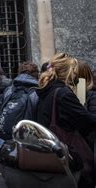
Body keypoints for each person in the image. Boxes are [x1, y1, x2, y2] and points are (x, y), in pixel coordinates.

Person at [36, 53, 96, 188]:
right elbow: (85, 119)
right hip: (66, 150)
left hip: (50, 148)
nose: (75, 75)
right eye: (74, 71)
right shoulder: (63, 92)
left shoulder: (46, 90)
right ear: (68, 72)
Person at [0, 62, 39, 148]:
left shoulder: (9, 89)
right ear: (36, 74)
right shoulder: (37, 92)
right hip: (29, 138)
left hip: (6, 136)